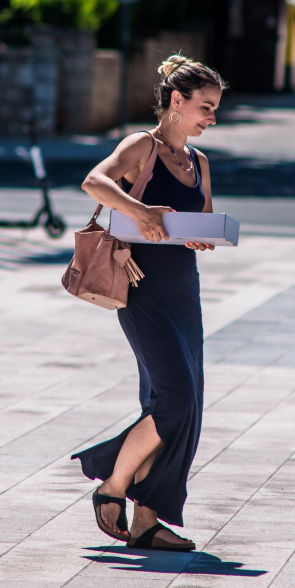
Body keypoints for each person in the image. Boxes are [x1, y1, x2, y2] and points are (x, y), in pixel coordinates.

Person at [72, 54, 225, 551]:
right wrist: (141, 211)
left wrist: (200, 236)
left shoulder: (199, 163)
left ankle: (147, 521)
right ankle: (112, 486)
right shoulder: (143, 146)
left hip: (184, 290)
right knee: (175, 398)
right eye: (205, 107)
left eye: (215, 109)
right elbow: (94, 182)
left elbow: (195, 223)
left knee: (185, 403)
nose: (211, 118)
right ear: (175, 102)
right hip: (140, 287)